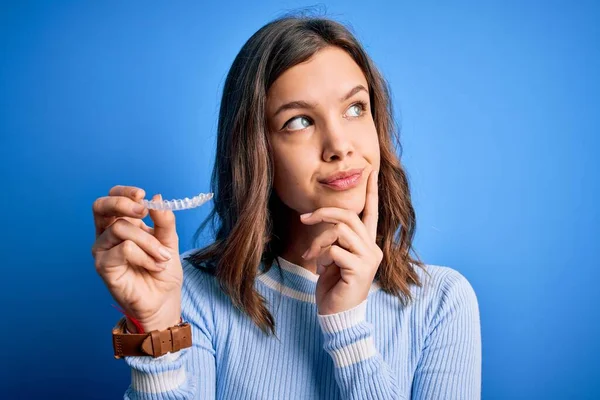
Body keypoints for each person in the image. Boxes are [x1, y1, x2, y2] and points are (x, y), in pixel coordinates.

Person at [92, 15, 481, 399]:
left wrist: (349, 332)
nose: (339, 145)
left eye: (355, 108)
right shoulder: (191, 290)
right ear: (256, 151)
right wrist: (157, 327)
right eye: (299, 121)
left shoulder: (443, 303)